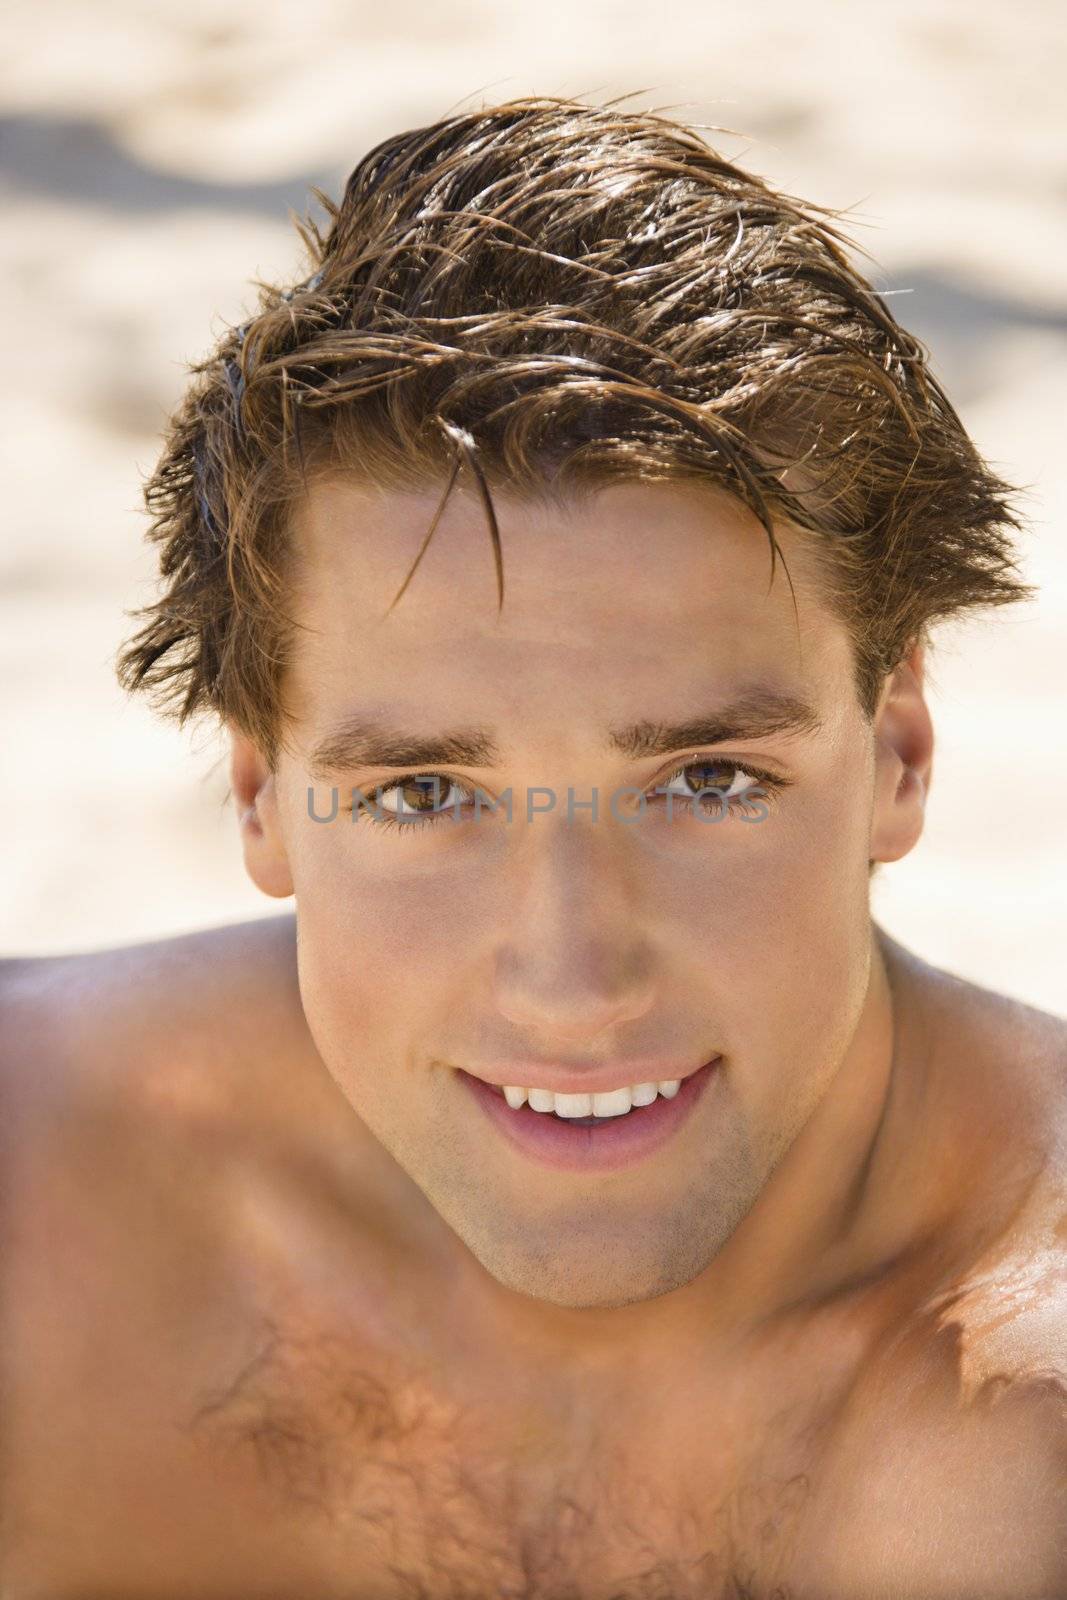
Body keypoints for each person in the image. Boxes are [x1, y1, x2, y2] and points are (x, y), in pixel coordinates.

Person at [1, 94, 1064, 1599]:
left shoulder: (1026, 1438)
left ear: (897, 752)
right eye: (427, 795)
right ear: (260, 797)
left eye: (706, 779)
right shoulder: (35, 1220)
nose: (574, 982)